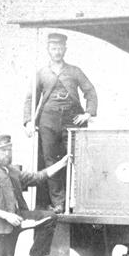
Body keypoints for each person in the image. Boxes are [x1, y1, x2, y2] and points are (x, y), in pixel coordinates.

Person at [23, 32, 97, 213]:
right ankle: (58, 203)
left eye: (60, 48)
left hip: (72, 121)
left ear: (65, 49)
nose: (57, 51)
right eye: (53, 48)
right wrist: (28, 122)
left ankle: (79, 202)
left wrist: (88, 113)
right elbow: (30, 97)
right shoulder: (41, 73)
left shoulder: (74, 71)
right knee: (50, 161)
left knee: (76, 158)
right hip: (48, 121)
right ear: (48, 49)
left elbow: (90, 91)